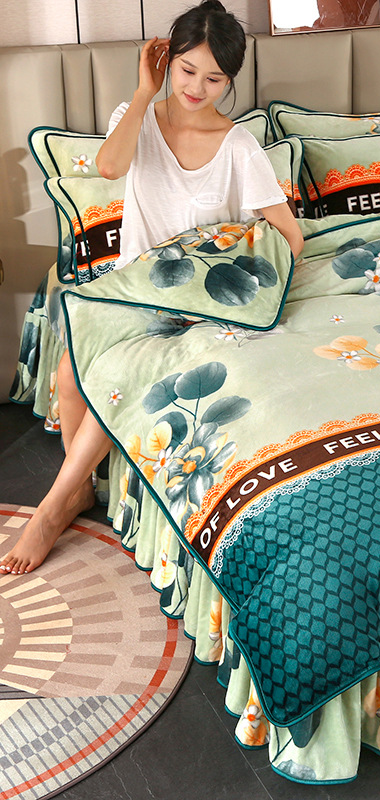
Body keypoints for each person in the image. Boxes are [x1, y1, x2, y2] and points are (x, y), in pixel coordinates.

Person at [1, 0, 303, 575]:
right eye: (186, 70)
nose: (196, 88)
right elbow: (109, 168)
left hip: (202, 298)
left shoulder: (238, 146)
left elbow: (290, 235)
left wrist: (249, 275)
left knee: (121, 370)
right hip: (137, 284)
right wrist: (144, 92)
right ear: (167, 61)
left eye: (214, 78)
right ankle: (79, 488)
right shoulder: (136, 117)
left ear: (230, 81)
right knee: (69, 370)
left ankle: (50, 509)